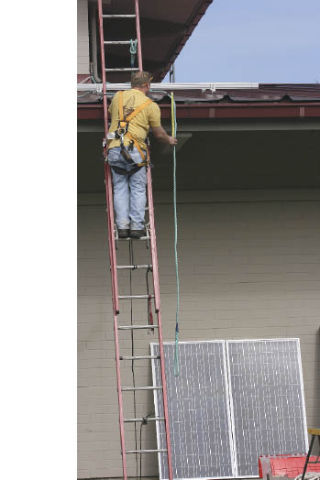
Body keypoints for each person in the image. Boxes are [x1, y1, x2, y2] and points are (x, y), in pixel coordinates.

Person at [107, 71, 177, 238]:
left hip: (115, 148)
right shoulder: (150, 105)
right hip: (135, 151)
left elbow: (112, 113)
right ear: (146, 85)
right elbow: (158, 134)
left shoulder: (118, 97)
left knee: (120, 188)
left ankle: (122, 226)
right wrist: (169, 140)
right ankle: (137, 226)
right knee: (138, 189)